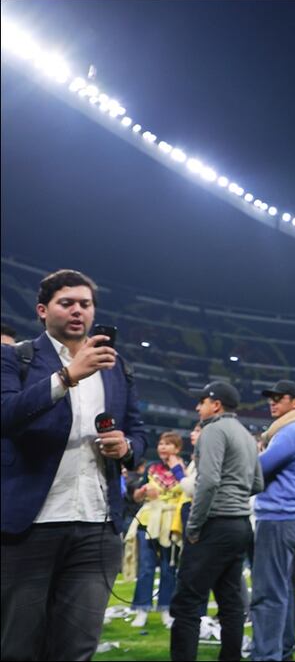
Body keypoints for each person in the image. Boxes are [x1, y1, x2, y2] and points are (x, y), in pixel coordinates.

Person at [1, 268, 148, 661]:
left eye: (85, 304)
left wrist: (127, 446)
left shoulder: (116, 366)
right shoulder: (16, 358)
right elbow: (5, 414)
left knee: (77, 649)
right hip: (30, 526)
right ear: (42, 310)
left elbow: (138, 430)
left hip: (96, 528)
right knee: (18, 647)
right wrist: (66, 376)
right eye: (67, 303)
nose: (78, 311)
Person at [170, 381, 264, 661]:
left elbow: (208, 481)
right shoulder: (247, 435)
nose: (198, 407)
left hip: (215, 523)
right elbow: (258, 483)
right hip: (240, 524)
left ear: (216, 404)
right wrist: (234, 494)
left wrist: (194, 525)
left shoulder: (213, 430)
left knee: (187, 603)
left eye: (202, 401)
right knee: (231, 602)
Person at [251, 379, 295, 661]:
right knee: (285, 589)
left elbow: (258, 469)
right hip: (292, 520)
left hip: (279, 519)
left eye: (280, 398)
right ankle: (282, 649)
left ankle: (267, 655)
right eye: (271, 398)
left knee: (268, 593)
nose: (272, 402)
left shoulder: (291, 431)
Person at [129, 431, 188, 628]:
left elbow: (188, 494)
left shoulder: (184, 470)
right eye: (161, 443)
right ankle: (141, 609)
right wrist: (143, 491)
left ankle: (166, 609)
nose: (163, 447)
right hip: (148, 522)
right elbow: (136, 496)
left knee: (168, 569)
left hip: (172, 524)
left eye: (168, 444)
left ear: (177, 448)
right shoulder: (152, 468)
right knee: (146, 568)